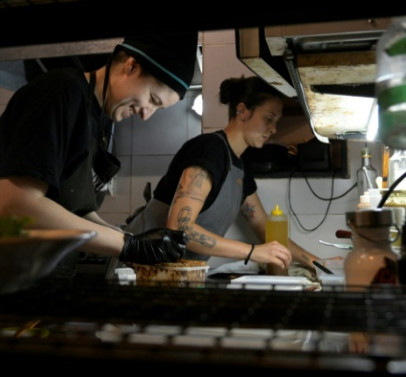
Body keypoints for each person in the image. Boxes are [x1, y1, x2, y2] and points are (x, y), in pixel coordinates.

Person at [0, 32, 200, 268]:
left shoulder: (101, 120)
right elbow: (13, 207)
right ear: (131, 66)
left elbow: (76, 211)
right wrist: (127, 246)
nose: (146, 114)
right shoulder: (60, 91)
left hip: (41, 274)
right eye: (152, 99)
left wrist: (132, 241)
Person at [126, 75, 323, 272]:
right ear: (243, 110)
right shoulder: (209, 150)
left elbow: (263, 227)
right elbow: (179, 228)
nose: (273, 129)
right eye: (268, 119)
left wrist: (315, 262)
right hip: (136, 269)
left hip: (172, 275)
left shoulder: (239, 168)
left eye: (276, 121)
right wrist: (252, 251)